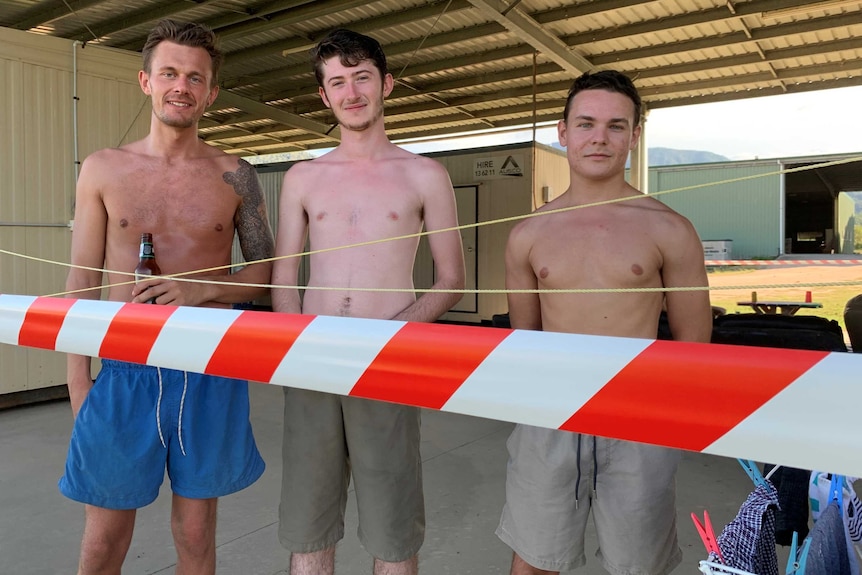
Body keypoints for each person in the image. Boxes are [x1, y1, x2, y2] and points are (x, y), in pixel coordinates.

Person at [59, 19, 275, 575]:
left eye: (195, 77)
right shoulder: (103, 168)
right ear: (146, 81)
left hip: (209, 365)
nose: (182, 85)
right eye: (170, 73)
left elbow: (267, 275)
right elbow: (80, 281)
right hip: (124, 369)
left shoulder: (237, 175)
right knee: (105, 536)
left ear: (211, 91)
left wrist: (199, 287)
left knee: (197, 535)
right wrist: (80, 384)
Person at [496, 70, 713, 575]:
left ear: (634, 136)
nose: (600, 138)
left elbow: (695, 346)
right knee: (534, 558)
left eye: (616, 126)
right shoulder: (527, 234)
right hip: (549, 415)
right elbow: (523, 342)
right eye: (586, 123)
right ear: (563, 131)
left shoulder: (670, 229)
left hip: (638, 416)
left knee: (638, 565)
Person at [272, 28, 466, 575]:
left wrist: (391, 339)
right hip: (312, 361)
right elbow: (284, 275)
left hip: (389, 362)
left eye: (362, 78)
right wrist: (296, 346)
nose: (351, 92)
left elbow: (450, 278)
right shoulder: (302, 176)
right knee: (308, 526)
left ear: (387, 84)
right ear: (324, 96)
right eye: (338, 82)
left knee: (393, 529)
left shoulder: (425, 174)